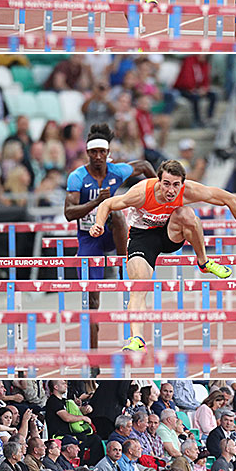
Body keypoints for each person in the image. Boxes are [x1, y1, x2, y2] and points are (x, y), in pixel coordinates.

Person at [89, 158, 236, 352]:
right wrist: (99, 224)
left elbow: (231, 199)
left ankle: (203, 261)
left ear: (182, 184)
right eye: (166, 184)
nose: (171, 190)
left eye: (176, 185)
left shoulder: (189, 191)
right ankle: (137, 339)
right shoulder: (141, 193)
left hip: (171, 233)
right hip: (142, 237)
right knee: (138, 284)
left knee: (187, 215)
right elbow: (107, 204)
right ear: (158, 181)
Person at [64, 123, 156, 353]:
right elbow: (68, 213)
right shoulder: (77, 177)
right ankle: (93, 359)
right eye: (93, 152)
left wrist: (160, 198)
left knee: (116, 214)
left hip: (111, 234)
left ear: (107, 154)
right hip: (89, 238)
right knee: (92, 303)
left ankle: (125, 263)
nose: (97, 157)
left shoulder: (117, 171)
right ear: (87, 154)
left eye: (101, 152)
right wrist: (96, 203)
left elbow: (144, 166)